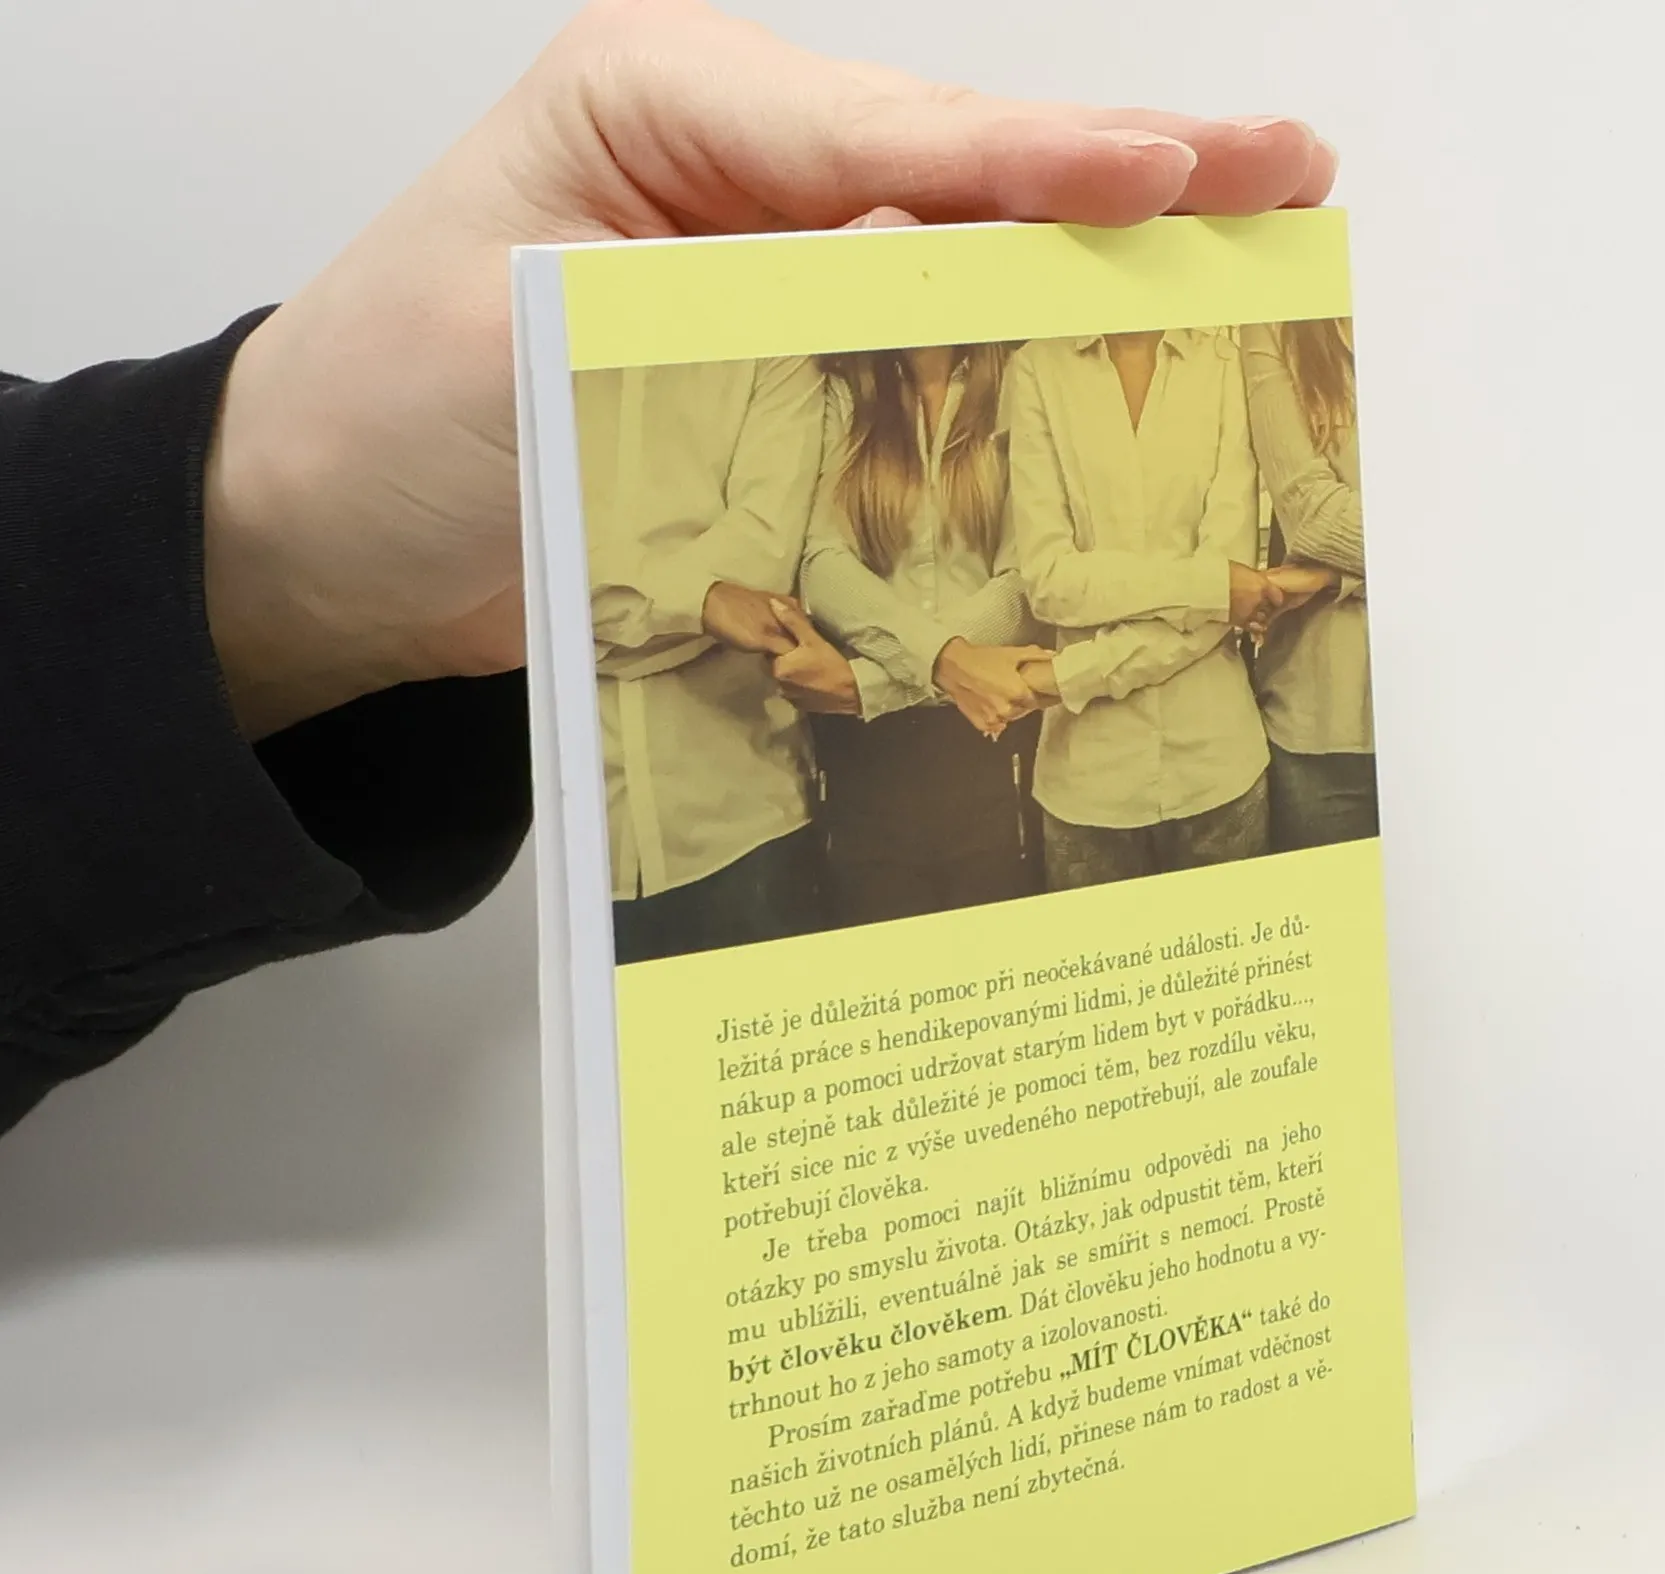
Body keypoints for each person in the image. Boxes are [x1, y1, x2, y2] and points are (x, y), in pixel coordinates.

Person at [0, 0, 1337, 1136]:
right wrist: (928, 651)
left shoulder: (1009, 375)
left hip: (921, 761)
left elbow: (882, 575)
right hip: (853, 759)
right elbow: (825, 570)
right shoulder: (838, 376)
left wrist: (954, 657)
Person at [1005, 328, 1300, 889]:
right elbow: (1049, 581)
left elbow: (1232, 590)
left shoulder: (1223, 364)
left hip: (1216, 767)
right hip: (1088, 780)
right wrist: (1206, 586)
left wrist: (1068, 676)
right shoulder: (1038, 368)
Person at [789, 342, 1054, 927]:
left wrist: (869, 685)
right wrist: (947, 663)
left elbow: (1024, 585)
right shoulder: (842, 391)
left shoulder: (1021, 379)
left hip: (991, 739)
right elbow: (822, 565)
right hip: (867, 757)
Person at [579, 356, 828, 961]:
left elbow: (761, 565)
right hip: (563, 841)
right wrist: (701, 603)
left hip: (745, 821)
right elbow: (516, 568)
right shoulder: (518, 358)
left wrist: (586, 624)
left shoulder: (770, 353)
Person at [1241, 319, 1375, 851]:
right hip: (1321, 722)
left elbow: (1497, 523)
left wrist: (1332, 575)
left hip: (1453, 718)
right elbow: (1313, 518)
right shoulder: (1274, 326)